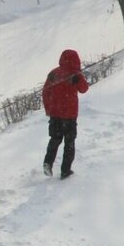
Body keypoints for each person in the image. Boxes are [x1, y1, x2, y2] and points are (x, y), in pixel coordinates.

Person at [41, 49, 89, 179]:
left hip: (55, 114)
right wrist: (78, 79)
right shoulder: (75, 74)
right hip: (69, 115)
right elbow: (84, 89)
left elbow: (45, 92)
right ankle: (65, 170)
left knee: (55, 139)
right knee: (69, 142)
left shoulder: (53, 73)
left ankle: (48, 163)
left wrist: (48, 109)